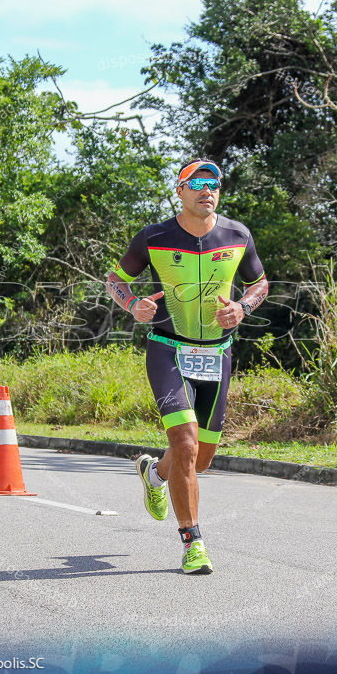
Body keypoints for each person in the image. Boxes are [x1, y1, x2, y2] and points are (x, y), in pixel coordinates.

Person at [106, 158, 269, 574]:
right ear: (179, 191)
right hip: (167, 349)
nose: (206, 190)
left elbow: (259, 284)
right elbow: (114, 280)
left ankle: (154, 474)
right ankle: (192, 542)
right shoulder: (153, 236)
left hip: (218, 354)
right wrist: (132, 305)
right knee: (184, 443)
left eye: (212, 182)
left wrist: (242, 307)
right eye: (195, 183)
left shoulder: (238, 234)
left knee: (201, 458)